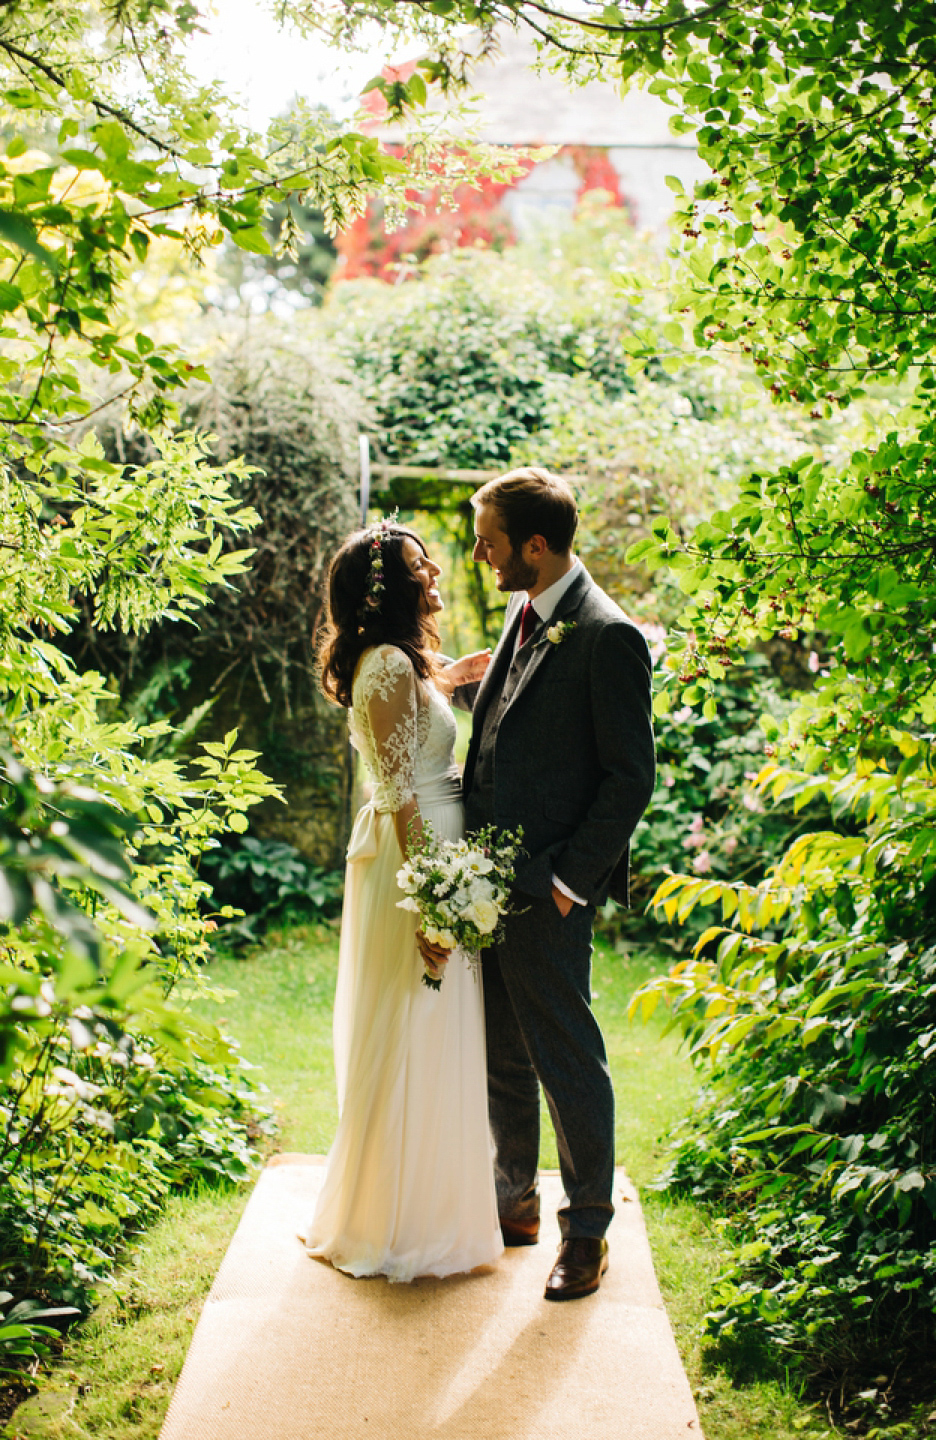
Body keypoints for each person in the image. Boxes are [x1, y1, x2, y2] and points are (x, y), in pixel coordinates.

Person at [442, 466, 656, 1301]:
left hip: (548, 888)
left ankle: (589, 1234)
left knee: (569, 1064)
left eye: (488, 540)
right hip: (487, 888)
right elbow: (514, 732)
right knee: (503, 1056)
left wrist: (571, 880)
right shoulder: (523, 612)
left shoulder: (607, 635)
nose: (478, 553)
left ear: (536, 545)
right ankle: (516, 1200)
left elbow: (628, 778)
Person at [303, 519, 502, 1281]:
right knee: (414, 1019)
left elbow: (405, 733)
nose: (438, 574)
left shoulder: (400, 664)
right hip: (414, 857)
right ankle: (392, 1222)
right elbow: (396, 792)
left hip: (431, 847)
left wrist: (444, 682)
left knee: (434, 1024)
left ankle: (429, 1207)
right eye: (424, 565)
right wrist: (431, 900)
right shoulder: (385, 665)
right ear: (391, 585)